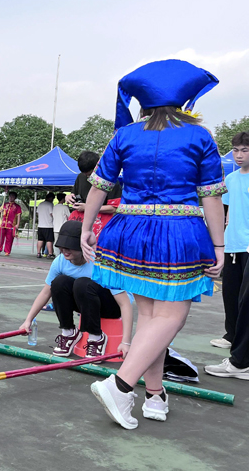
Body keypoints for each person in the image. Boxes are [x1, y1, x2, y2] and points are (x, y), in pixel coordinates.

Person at [83, 59, 224, 429]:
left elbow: (100, 184)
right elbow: (210, 195)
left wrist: (85, 227)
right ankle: (120, 385)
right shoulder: (199, 135)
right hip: (178, 234)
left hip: (129, 231)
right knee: (170, 318)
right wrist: (220, 246)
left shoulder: (126, 134)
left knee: (149, 318)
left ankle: (155, 395)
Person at [19, 220, 133, 357]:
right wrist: (28, 320)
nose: (65, 251)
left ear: (83, 246)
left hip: (112, 306)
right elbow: (45, 292)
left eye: (70, 247)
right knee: (59, 282)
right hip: (87, 303)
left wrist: (126, 342)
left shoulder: (101, 262)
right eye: (62, 246)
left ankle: (97, 338)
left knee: (83, 283)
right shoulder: (60, 261)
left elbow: (125, 304)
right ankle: (69, 333)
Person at [205, 131, 249, 379]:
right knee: (231, 295)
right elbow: (225, 212)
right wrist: (219, 242)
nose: (239, 154)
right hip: (233, 245)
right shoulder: (230, 179)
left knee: (246, 301)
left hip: (248, 246)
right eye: (236, 150)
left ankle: (240, 360)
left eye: (244, 150)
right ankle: (232, 336)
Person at [66, 151, 122, 237]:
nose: (87, 177)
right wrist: (69, 197)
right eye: (85, 174)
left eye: (89, 174)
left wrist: (88, 208)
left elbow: (114, 208)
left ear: (97, 167)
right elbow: (74, 193)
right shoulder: (81, 177)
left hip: (101, 227)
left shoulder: (110, 180)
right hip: (79, 224)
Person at [0, 191, 22, 256]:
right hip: (3, 224)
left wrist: (17, 224)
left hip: (11, 225)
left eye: (12, 196)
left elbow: (19, 215)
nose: (11, 198)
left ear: (15, 198)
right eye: (10, 196)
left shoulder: (17, 206)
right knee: (0, 238)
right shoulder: (5, 204)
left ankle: (7, 251)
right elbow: (0, 211)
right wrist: (0, 210)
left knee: (9, 239)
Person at [36, 192, 55, 258]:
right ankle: (50, 253)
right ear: (51, 198)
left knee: (40, 239)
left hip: (40, 225)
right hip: (48, 225)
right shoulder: (50, 205)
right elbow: (52, 214)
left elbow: (38, 213)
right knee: (49, 240)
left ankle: (38, 253)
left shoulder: (40, 204)